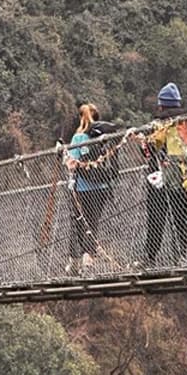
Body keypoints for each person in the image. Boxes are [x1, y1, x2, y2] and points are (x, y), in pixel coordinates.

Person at [139, 83, 187, 268]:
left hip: (158, 179)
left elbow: (148, 150)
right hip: (184, 178)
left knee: (156, 219)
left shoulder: (157, 125)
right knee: (181, 219)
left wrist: (144, 141)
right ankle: (180, 257)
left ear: (161, 105)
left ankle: (149, 259)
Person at [63, 104, 119, 275]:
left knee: (79, 222)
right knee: (93, 221)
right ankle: (89, 256)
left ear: (81, 117)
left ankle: (76, 261)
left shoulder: (78, 138)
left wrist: (64, 154)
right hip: (102, 186)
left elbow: (72, 164)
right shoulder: (106, 137)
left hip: (82, 187)